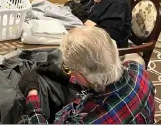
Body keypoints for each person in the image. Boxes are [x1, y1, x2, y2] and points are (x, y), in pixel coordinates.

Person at [18, 27, 155, 124]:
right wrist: (67, 78)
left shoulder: (86, 119)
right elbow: (97, 80)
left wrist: (32, 97)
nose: (69, 71)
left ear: (82, 74)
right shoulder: (137, 69)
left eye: (69, 69)